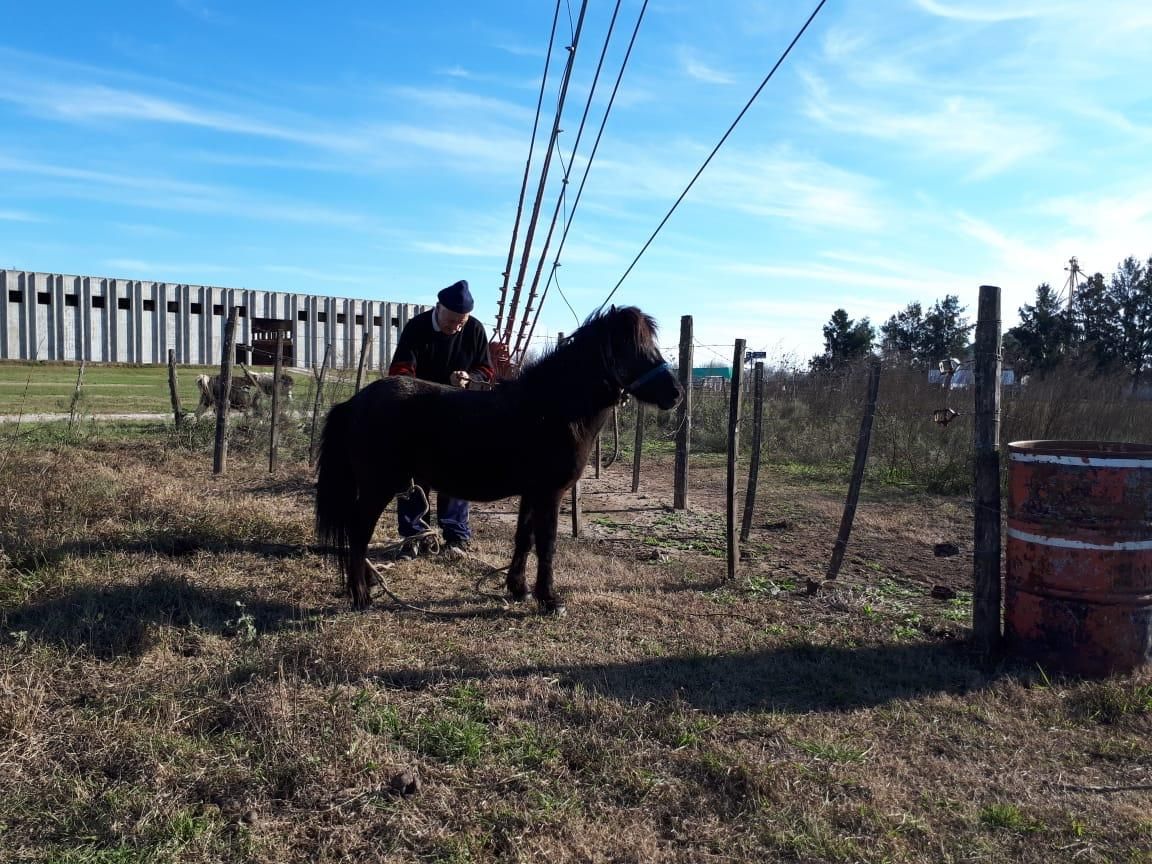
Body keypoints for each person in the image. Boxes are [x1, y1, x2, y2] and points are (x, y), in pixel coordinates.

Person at [387, 279, 494, 557]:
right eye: (452, 321)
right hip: (420, 413)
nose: (456, 327)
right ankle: (414, 535)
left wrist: (470, 377)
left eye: (461, 322)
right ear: (438, 308)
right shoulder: (417, 327)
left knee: (458, 473)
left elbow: (487, 370)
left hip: (460, 414)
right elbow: (400, 372)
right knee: (413, 474)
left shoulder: (475, 329)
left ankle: (456, 537)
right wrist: (431, 389)